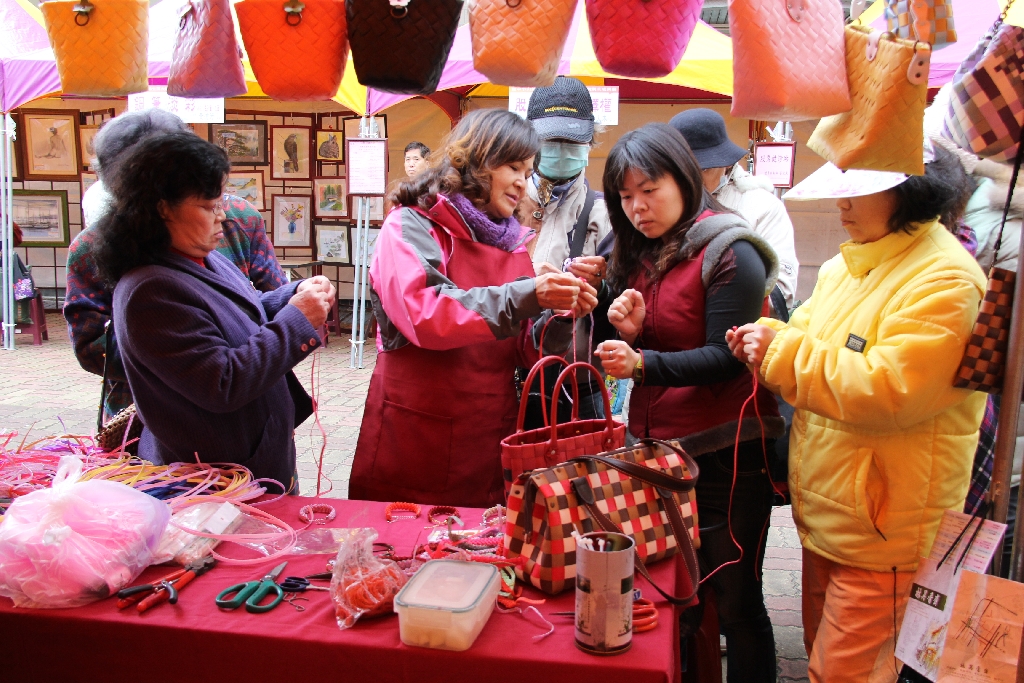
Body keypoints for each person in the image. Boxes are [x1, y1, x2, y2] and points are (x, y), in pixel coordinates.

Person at [727, 146, 987, 683]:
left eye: (855, 188)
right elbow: (809, 336)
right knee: (827, 656)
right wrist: (771, 336)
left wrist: (778, 352)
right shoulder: (854, 262)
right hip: (834, 515)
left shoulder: (946, 280)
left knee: (846, 672)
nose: (841, 203)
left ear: (908, 190)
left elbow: (888, 389)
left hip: (884, 528)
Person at [596, 123, 784, 683]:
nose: (637, 207)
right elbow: (659, 344)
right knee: (674, 592)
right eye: (625, 196)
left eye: (648, 190)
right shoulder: (642, 253)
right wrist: (632, 332)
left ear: (682, 178)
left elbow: (724, 358)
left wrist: (642, 362)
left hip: (728, 453)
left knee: (735, 595)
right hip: (657, 452)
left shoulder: (733, 250)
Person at [349, 109, 597, 508]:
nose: (523, 181)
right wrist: (528, 295)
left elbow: (526, 350)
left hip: (488, 435)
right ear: (478, 159)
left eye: (527, 170)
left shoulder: (510, 241)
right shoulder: (410, 225)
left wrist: (562, 312)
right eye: (514, 166)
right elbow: (425, 313)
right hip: (417, 434)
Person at [91, 131, 333, 491]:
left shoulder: (203, 258)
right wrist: (297, 320)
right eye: (208, 206)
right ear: (162, 207)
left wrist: (291, 296)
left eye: (220, 202)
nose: (222, 215)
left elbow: (240, 316)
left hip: (251, 458)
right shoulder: (150, 291)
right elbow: (223, 382)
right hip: (211, 479)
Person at [65, 110, 286, 421]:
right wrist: (179, 353)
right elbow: (90, 349)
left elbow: (268, 295)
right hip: (142, 415)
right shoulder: (92, 246)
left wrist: (291, 307)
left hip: (245, 406)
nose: (216, 213)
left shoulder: (237, 217)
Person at [517, 76, 614, 424]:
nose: (559, 149)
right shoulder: (505, 205)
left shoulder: (604, 214)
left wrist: (601, 287)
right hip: (510, 377)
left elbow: (620, 299)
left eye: (571, 141)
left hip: (578, 383)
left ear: (590, 142)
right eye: (550, 140)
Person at [669, 108, 800, 311]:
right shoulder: (662, 204)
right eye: (681, 170)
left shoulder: (762, 207)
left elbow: (782, 291)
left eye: (703, 169)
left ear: (724, 163)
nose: (691, 179)